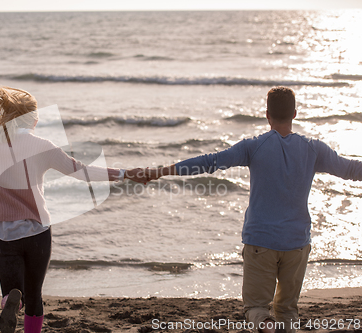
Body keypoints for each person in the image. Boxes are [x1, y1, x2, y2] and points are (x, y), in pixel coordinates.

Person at [0, 86, 148, 333]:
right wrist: (125, 174)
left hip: (4, 233)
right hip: (38, 232)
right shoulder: (43, 145)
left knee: (12, 293)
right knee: (35, 296)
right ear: (32, 118)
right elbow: (82, 171)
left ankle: (11, 301)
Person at [143, 86, 362, 333]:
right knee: (288, 310)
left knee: (256, 309)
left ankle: (267, 328)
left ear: (267, 114)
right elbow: (352, 170)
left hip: (261, 242)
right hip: (297, 244)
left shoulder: (253, 146)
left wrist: (157, 172)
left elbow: (208, 162)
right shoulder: (314, 149)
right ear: (295, 114)